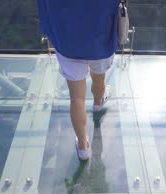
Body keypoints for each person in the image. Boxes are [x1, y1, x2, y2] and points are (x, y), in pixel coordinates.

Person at [38, 0, 120, 160]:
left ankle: (83, 148)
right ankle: (98, 103)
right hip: (100, 40)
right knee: (99, 77)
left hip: (68, 43)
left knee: (76, 98)